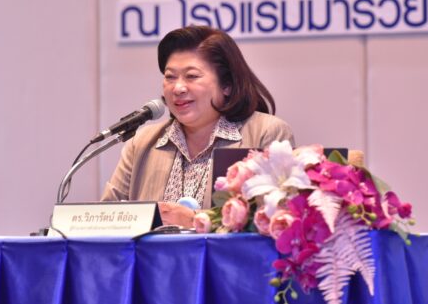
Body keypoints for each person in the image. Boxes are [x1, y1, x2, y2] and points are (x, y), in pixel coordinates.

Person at [101, 26, 294, 227]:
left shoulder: (266, 133)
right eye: (170, 77)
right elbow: (107, 221)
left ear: (226, 85)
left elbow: (274, 220)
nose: (178, 88)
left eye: (192, 76)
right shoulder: (142, 143)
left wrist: (195, 220)